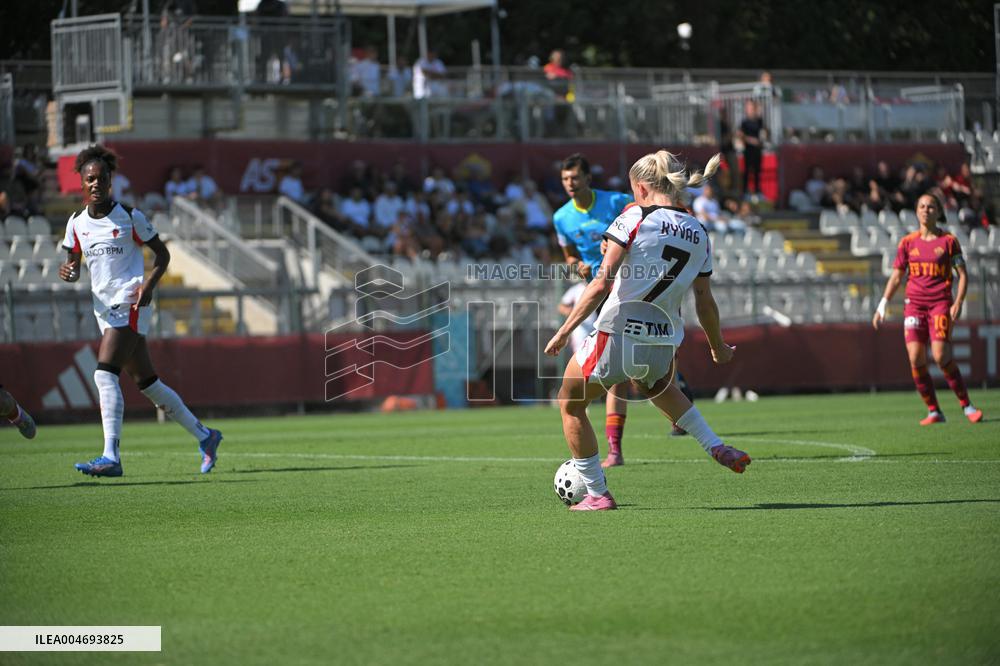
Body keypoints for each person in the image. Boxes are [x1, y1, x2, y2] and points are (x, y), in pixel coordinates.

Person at [544, 150, 750, 511]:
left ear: (640, 187)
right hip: (662, 340)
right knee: (659, 389)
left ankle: (597, 493)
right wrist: (717, 345)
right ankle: (716, 445)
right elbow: (705, 300)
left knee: (570, 403)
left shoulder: (634, 217)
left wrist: (565, 330)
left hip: (617, 333)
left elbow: (601, 283)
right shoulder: (699, 231)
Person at [57, 145, 222, 477]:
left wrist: (148, 286)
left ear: (110, 181)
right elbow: (72, 263)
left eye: (101, 178)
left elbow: (163, 255)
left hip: (130, 302)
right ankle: (206, 436)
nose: (95, 184)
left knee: (104, 374)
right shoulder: (75, 223)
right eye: (90, 179)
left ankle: (111, 456)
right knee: (148, 383)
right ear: (82, 182)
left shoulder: (130, 216)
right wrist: (69, 272)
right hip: (104, 309)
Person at [552, 154, 634, 468]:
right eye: (565, 179)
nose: (570, 184)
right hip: (599, 292)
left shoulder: (616, 201)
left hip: (629, 286)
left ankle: (675, 385)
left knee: (632, 372)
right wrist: (577, 265)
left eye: (575, 177)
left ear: (588, 178)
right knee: (618, 372)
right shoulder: (561, 217)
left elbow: (644, 224)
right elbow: (569, 255)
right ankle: (615, 449)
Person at [872, 192, 983, 425]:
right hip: (914, 305)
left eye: (931, 206)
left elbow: (963, 275)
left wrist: (958, 302)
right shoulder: (907, 242)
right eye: (922, 206)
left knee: (941, 355)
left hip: (940, 304)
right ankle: (934, 411)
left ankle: (967, 405)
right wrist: (882, 303)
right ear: (916, 211)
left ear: (939, 212)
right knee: (916, 357)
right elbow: (896, 276)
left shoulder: (949, 241)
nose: (925, 210)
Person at [738, 100, 765, 198]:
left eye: (751, 107)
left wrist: (761, 141)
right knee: (747, 171)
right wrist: (751, 140)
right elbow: (741, 135)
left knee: (757, 171)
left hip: (757, 150)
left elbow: (763, 133)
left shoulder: (759, 121)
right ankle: (745, 191)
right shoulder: (744, 122)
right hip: (748, 150)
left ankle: (757, 190)